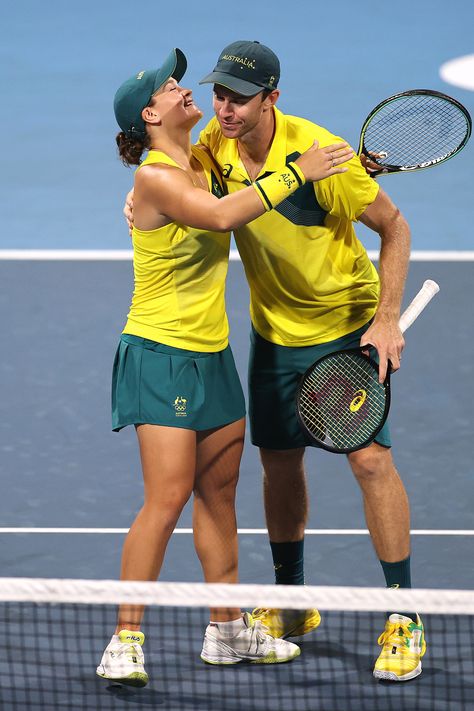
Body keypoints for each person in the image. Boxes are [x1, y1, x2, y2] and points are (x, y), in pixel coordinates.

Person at [96, 48, 354, 687]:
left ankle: (228, 628)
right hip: (160, 355)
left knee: (217, 494)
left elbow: (233, 190)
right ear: (149, 117)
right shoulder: (157, 177)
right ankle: (125, 639)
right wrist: (297, 172)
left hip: (211, 355)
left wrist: (334, 175)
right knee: (168, 496)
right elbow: (217, 216)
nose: (182, 87)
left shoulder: (201, 159)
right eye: (166, 87)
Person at [195, 40, 426, 683]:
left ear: (272, 99)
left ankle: (404, 616)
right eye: (220, 94)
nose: (225, 107)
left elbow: (396, 227)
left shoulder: (317, 154)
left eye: (240, 98)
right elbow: (182, 184)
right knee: (279, 463)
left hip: (346, 325)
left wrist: (385, 321)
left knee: (371, 460)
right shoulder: (214, 144)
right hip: (274, 332)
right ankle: (294, 604)